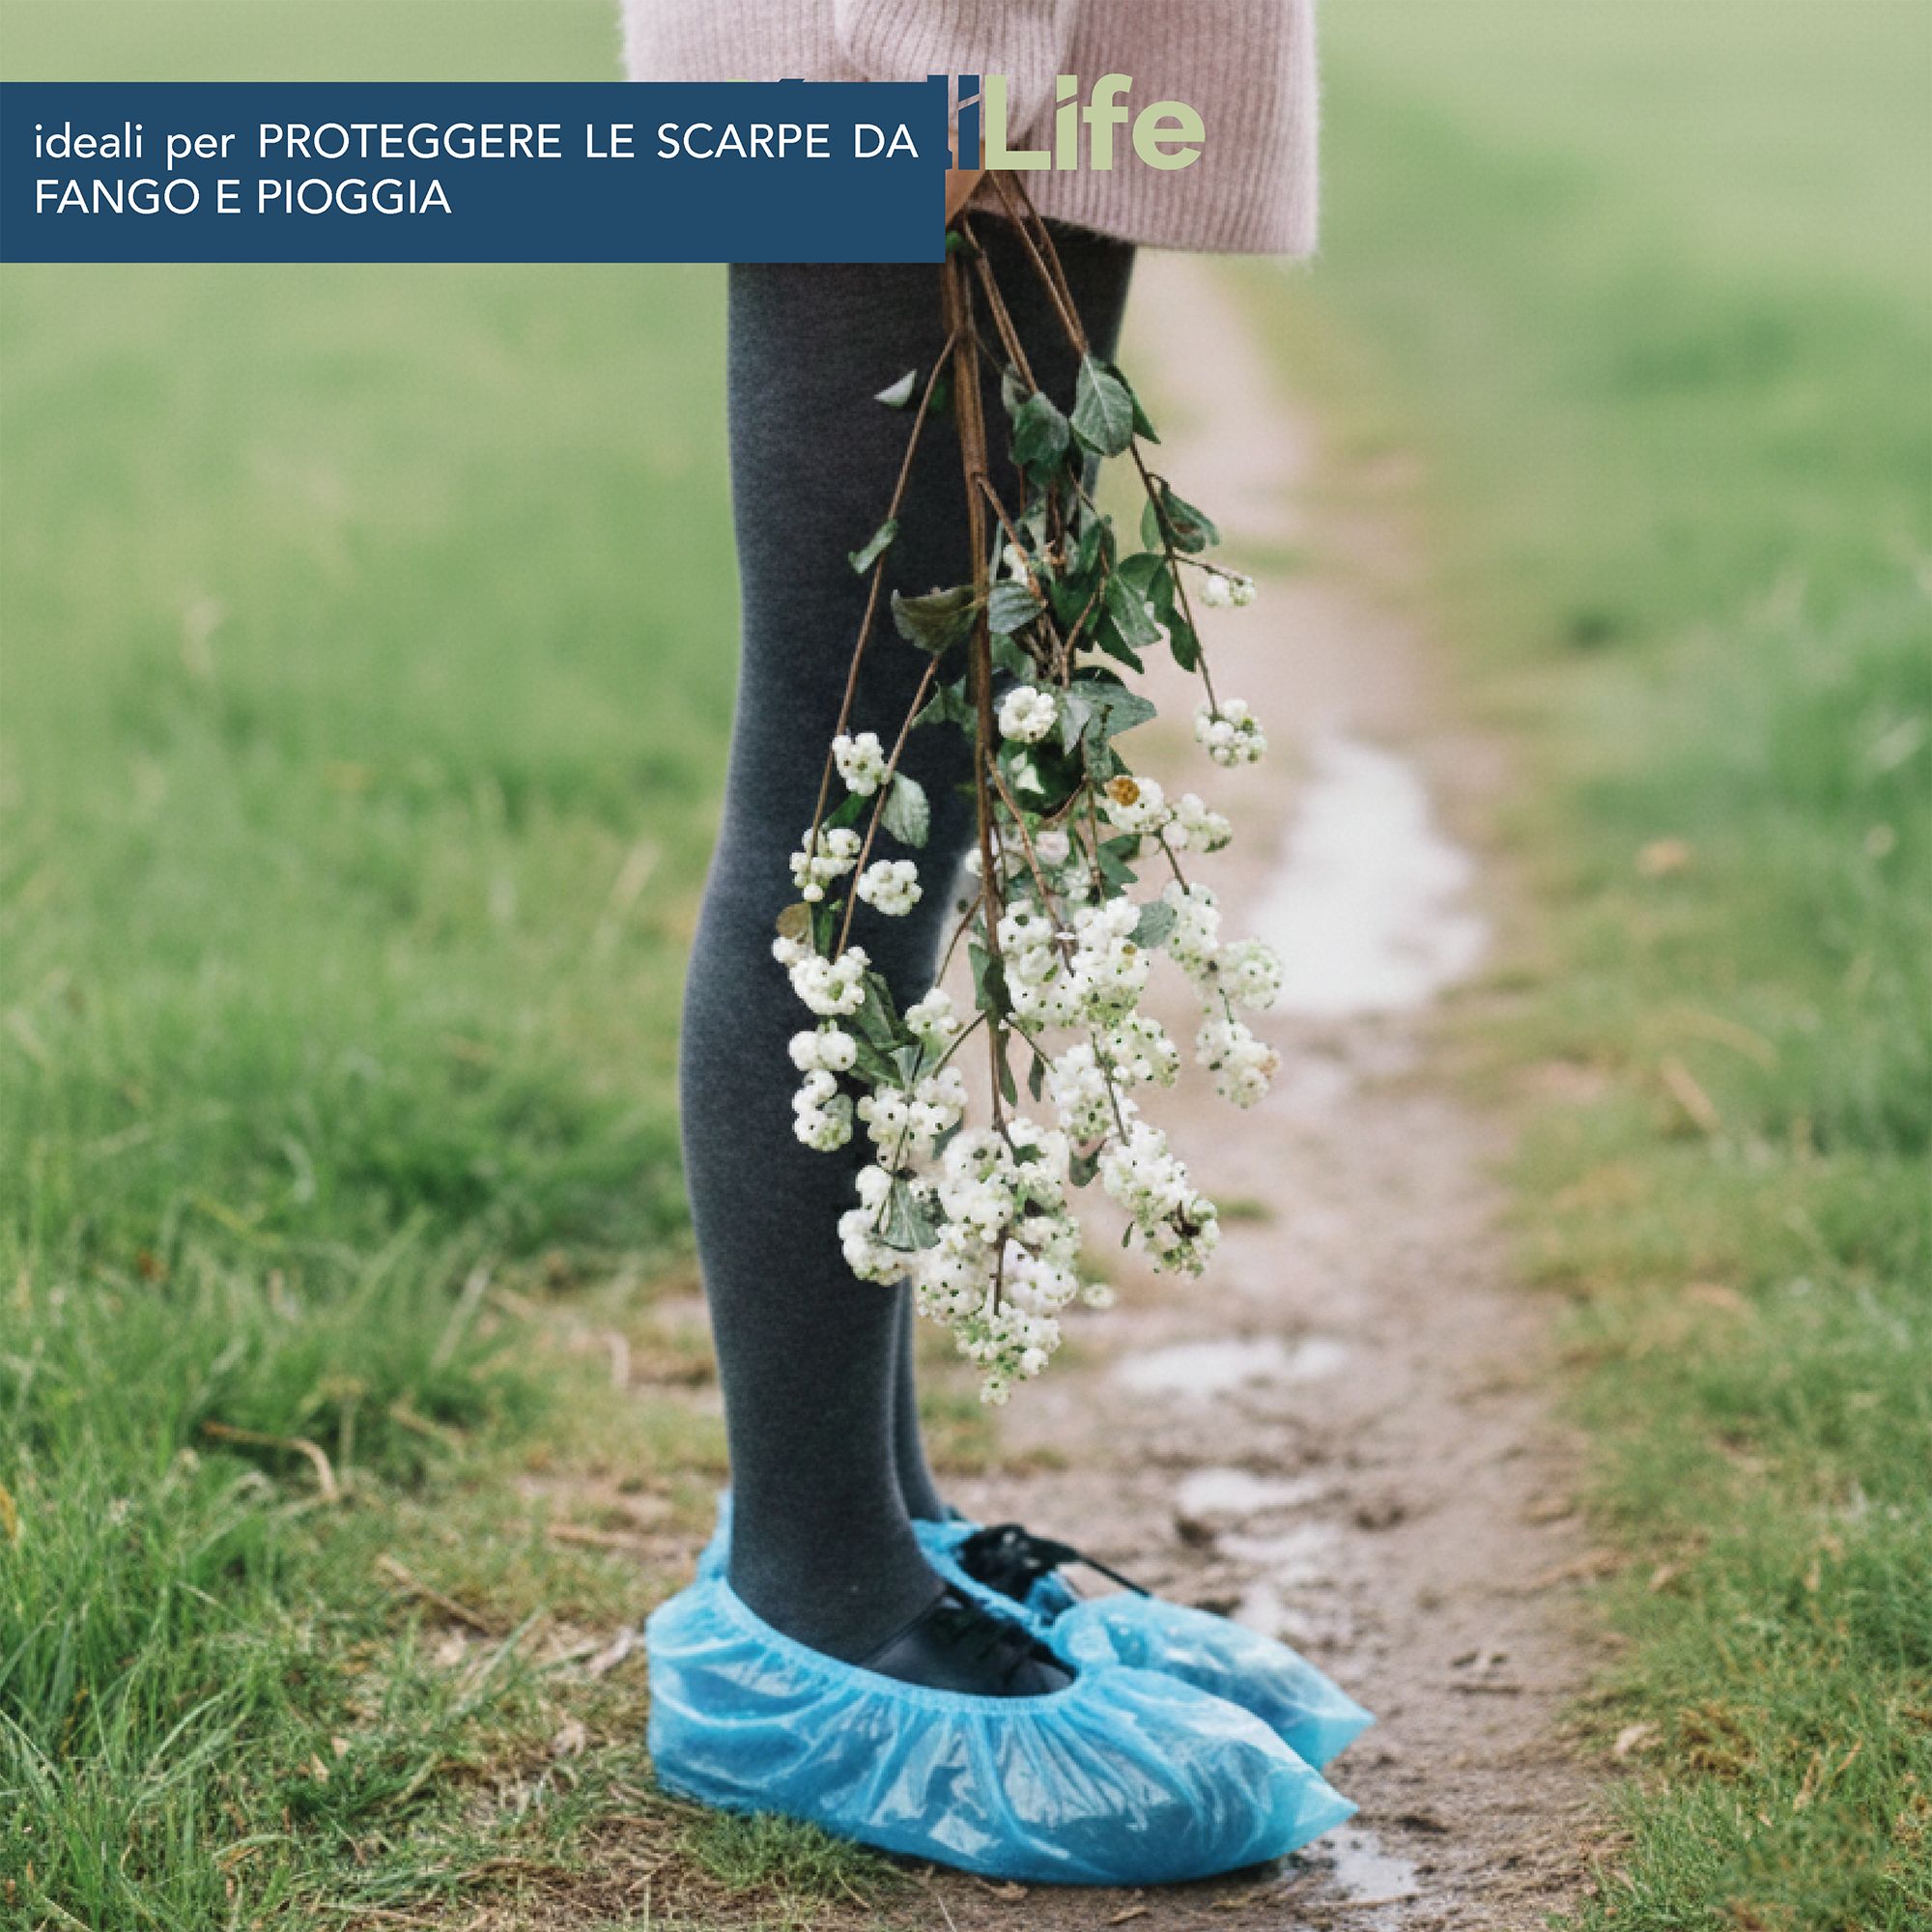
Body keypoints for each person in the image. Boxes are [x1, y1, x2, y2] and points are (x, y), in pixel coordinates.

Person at [622, 0, 1367, 1884]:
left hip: (1056, 51)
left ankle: (881, 1520)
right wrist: (900, 48)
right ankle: (809, 1600)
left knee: (923, 755)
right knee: (843, 772)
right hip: (920, 47)